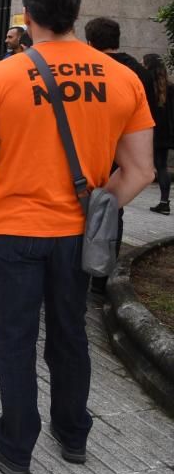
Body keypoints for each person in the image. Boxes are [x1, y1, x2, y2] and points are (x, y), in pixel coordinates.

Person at [0, 0, 155, 474]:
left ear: (27, 14)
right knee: (70, 335)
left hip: (13, 229)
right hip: (78, 236)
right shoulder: (122, 77)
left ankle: (15, 445)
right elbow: (141, 171)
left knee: (17, 338)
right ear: (76, 12)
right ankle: (73, 435)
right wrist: (99, 207)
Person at [84, 16, 155, 294]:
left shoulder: (94, 69)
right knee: (113, 212)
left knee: (90, 208)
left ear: (90, 42)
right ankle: (101, 276)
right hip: (131, 148)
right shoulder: (139, 71)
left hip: (97, 148)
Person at [144, 53, 173, 214]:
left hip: (148, 130)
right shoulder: (169, 87)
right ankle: (164, 201)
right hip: (165, 133)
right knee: (162, 166)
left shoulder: (147, 86)